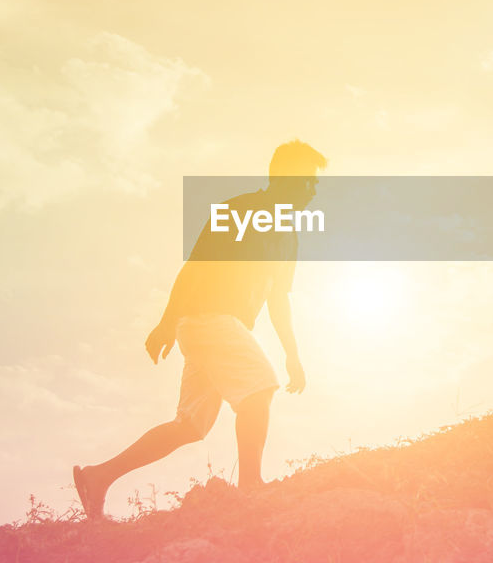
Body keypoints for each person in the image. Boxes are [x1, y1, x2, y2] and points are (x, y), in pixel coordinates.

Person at [73, 140, 326, 518]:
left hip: (220, 328)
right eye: (307, 181)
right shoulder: (239, 211)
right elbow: (195, 267)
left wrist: (293, 354)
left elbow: (279, 300)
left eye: (315, 183)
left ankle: (98, 477)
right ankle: (251, 487)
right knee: (259, 389)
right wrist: (166, 322)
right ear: (282, 177)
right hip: (210, 319)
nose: (313, 190)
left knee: (190, 425)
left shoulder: (288, 235)